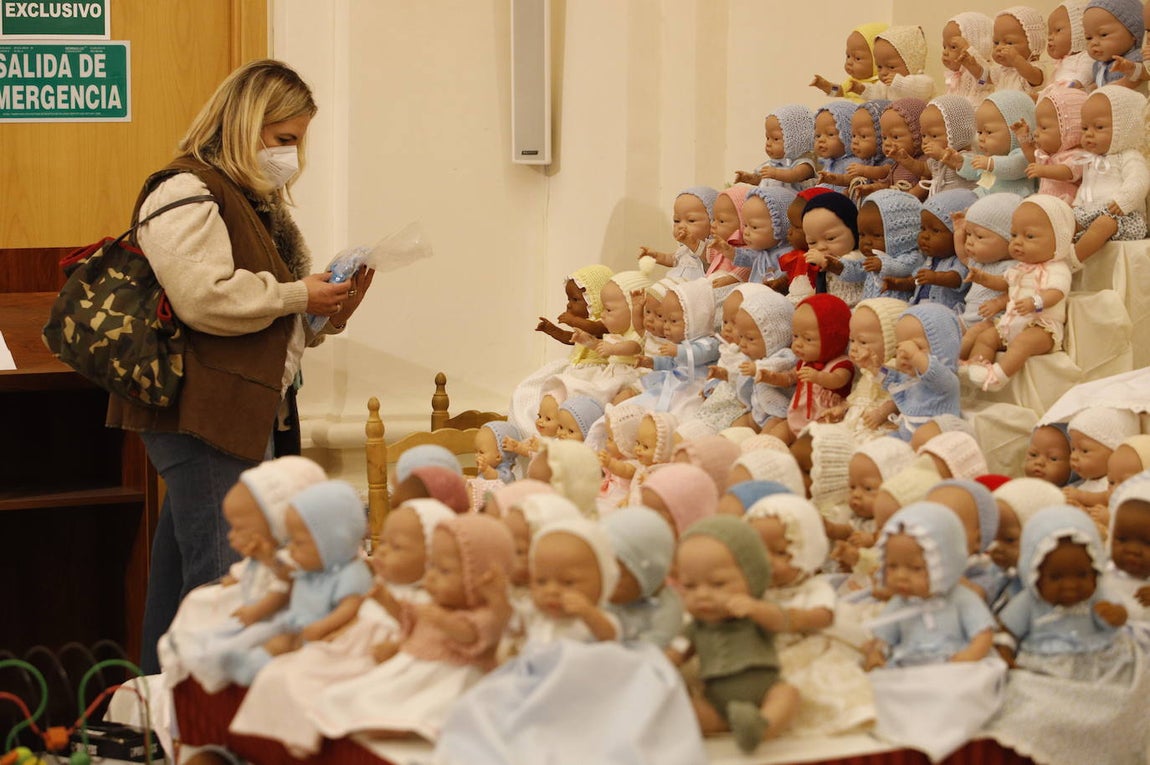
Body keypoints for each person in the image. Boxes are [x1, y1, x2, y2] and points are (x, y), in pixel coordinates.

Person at [107, 59, 373, 673]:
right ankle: (212, 724)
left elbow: (261, 319)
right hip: (201, 412)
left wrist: (324, 313)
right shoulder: (184, 190)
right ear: (245, 124)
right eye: (283, 139)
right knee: (226, 578)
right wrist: (299, 295)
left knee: (184, 575)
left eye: (297, 141)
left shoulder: (253, 201)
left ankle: (157, 711)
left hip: (239, 411)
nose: (290, 155)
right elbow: (206, 298)